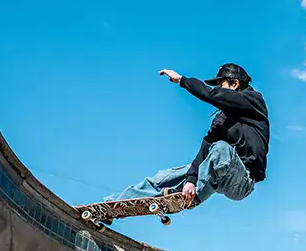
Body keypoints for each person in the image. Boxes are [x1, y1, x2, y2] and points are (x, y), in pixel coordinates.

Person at [102, 63, 269, 214]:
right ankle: (117, 203)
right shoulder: (222, 119)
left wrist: (182, 80)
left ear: (235, 84)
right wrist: (191, 178)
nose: (219, 88)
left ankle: (187, 198)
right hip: (218, 170)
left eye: (222, 84)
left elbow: (213, 95)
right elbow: (205, 148)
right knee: (165, 176)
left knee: (221, 149)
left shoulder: (253, 100)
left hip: (242, 181)